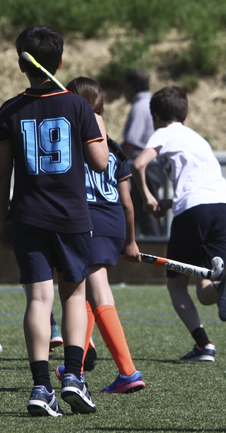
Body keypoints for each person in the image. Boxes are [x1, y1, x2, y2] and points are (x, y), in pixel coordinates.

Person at [0, 25, 108, 417]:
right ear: (59, 62)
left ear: (21, 64)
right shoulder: (78, 106)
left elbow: (2, 173)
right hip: (71, 217)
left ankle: (41, 387)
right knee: (74, 294)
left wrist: (2, 221)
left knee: (39, 299)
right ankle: (74, 377)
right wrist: (97, 128)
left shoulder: (10, 109)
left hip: (27, 217)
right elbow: (101, 162)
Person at [130, 86, 226, 362]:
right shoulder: (198, 139)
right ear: (186, 117)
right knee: (205, 290)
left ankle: (203, 344)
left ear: (155, 116)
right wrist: (168, 203)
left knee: (177, 285)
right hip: (224, 208)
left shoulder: (164, 132)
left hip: (193, 210)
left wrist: (146, 198)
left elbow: (138, 164)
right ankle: (223, 284)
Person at [53, 76, 145, 394]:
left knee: (98, 290)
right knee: (88, 290)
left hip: (88, 217)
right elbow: (128, 202)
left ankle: (128, 371)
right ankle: (75, 366)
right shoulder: (113, 146)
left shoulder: (71, 137)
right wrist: (130, 239)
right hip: (114, 220)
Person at [120, 70, 168, 237]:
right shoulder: (152, 103)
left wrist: (113, 157)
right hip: (152, 166)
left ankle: (156, 249)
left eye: (124, 87)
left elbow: (131, 142)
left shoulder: (139, 107)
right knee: (146, 213)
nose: (123, 91)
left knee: (147, 214)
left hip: (144, 168)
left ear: (132, 87)